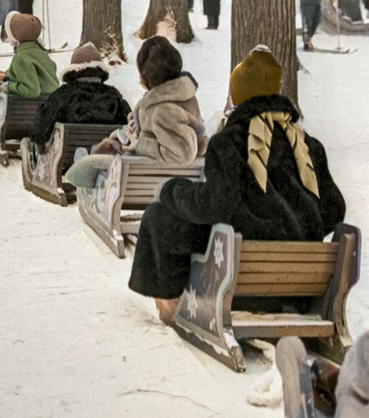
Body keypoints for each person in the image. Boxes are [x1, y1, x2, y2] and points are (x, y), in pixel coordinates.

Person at [128, 44, 346, 326]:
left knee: (160, 216)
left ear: (239, 93)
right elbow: (333, 211)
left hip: (241, 286)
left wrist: (171, 190)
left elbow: (215, 206)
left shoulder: (230, 142)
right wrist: (295, 227)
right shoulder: (308, 145)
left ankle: (171, 304)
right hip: (302, 288)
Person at [96, 36, 207, 165]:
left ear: (146, 75)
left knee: (90, 164)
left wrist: (140, 144)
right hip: (162, 177)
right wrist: (138, 123)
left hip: (155, 181)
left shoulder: (164, 110)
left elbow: (182, 153)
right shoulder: (181, 96)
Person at [36, 42, 131, 147]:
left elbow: (42, 128)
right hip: (107, 158)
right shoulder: (114, 96)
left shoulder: (63, 95)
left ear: (73, 69)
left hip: (68, 158)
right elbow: (129, 128)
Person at [0, 11, 59, 125]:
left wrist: (10, 86)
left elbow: (32, 90)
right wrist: (8, 77)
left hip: (22, 111)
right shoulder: (42, 53)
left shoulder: (21, 58)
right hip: (46, 106)